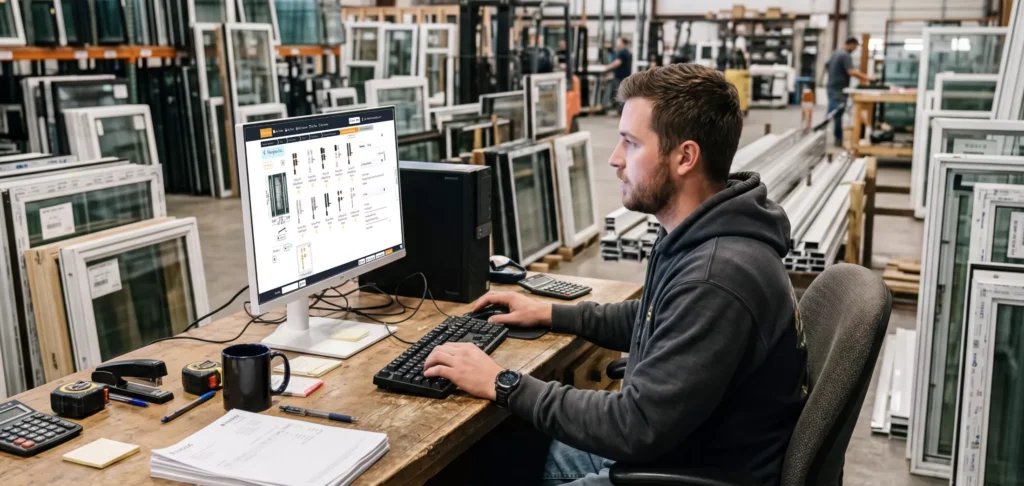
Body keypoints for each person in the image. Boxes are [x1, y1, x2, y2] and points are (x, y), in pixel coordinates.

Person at [423, 64, 808, 486]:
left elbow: (633, 425)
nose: (615, 158)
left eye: (631, 143)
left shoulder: (715, 277)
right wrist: (550, 313)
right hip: (681, 445)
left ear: (685, 157)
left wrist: (503, 382)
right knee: (497, 451)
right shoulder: (702, 233)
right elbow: (657, 317)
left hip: (685, 469)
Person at [826, 37, 875, 147]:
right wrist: (868, 78)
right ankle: (837, 139)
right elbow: (851, 71)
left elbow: (827, 65)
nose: (855, 49)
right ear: (851, 44)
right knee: (836, 113)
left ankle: (829, 137)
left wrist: (834, 75)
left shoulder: (836, 53)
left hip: (831, 86)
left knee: (833, 112)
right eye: (855, 47)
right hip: (839, 89)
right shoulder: (845, 55)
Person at [603, 37, 633, 113]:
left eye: (618, 42)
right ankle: (621, 111)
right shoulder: (627, 52)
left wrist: (607, 67)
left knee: (620, 94)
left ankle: (620, 111)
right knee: (623, 93)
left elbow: (617, 62)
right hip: (625, 76)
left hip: (620, 77)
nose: (617, 43)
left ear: (622, 43)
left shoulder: (621, 52)